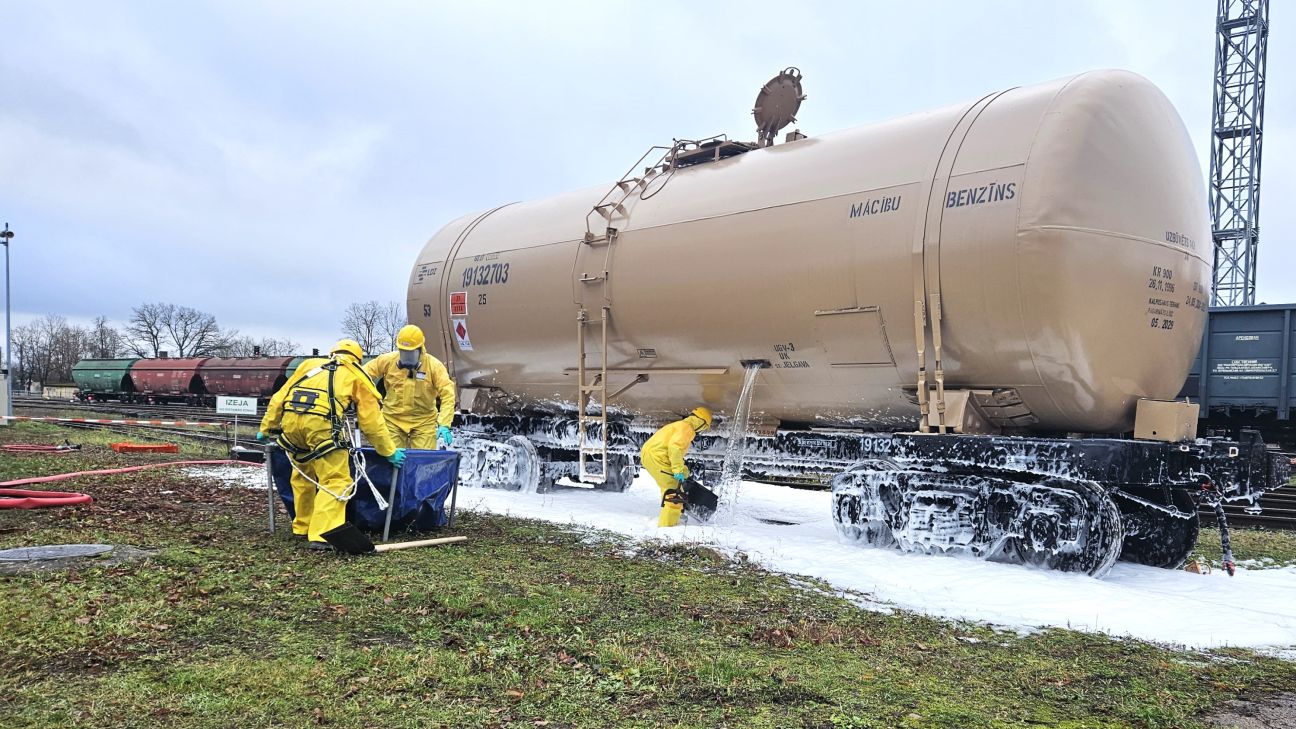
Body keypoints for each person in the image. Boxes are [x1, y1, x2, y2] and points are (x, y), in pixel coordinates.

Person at [257, 339, 404, 550]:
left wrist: (266, 428)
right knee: (336, 481)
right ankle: (322, 534)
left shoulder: (308, 366)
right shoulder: (357, 375)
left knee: (301, 475)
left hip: (291, 426)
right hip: (321, 428)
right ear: (358, 359)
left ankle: (302, 526)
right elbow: (371, 423)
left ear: (332, 353)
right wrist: (389, 451)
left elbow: (279, 397)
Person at [364, 324, 456, 450]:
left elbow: (448, 394)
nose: (406, 357)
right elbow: (362, 374)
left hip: (424, 423)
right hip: (392, 420)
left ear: (420, 349)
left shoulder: (434, 366)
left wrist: (444, 423)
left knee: (422, 462)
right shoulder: (387, 361)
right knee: (390, 459)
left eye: (410, 353)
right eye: (403, 352)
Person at [639, 406, 713, 527]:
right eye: (705, 427)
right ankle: (667, 527)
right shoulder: (687, 428)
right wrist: (678, 470)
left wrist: (684, 471)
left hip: (651, 454)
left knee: (669, 488)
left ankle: (676, 517)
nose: (702, 430)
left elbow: (674, 452)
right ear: (701, 422)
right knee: (673, 493)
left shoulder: (680, 425)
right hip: (657, 457)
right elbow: (675, 449)